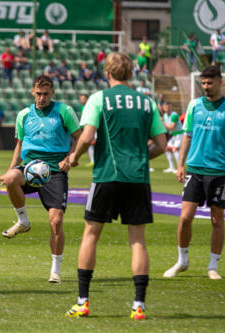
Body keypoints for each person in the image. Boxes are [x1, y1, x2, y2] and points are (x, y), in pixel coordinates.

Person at [64, 52, 167, 320]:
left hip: (107, 176)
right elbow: (162, 144)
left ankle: (83, 301)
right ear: (131, 74)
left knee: (90, 235)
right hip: (138, 178)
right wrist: (142, 158)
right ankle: (139, 306)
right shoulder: (147, 103)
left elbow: (87, 136)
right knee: (138, 241)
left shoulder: (99, 98)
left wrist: (74, 157)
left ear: (106, 73)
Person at [0, 75, 81, 284]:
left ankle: (55, 270)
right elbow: (19, 145)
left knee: (56, 221)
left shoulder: (64, 111)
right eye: (38, 94)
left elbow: (80, 137)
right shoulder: (23, 114)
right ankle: (22, 220)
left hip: (55, 172)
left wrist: (71, 157)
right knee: (13, 177)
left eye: (46, 94)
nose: (41, 98)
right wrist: (9, 170)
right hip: (29, 168)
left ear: (53, 93)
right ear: (33, 92)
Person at [163, 66, 225, 280]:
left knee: (217, 220)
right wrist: (180, 163)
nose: (206, 87)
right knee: (184, 218)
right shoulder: (194, 106)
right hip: (195, 169)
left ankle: (213, 266)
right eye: (204, 83)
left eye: (210, 82)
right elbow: (187, 136)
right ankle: (182, 260)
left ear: (220, 82)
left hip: (219, 171)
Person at [162, 102, 184, 173]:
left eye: (168, 107)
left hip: (179, 134)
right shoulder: (165, 115)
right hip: (173, 135)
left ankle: (179, 168)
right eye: (165, 107)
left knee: (175, 149)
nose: (167, 108)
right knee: (167, 149)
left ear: (171, 107)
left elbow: (171, 127)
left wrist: (162, 122)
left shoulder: (174, 115)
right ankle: (171, 167)